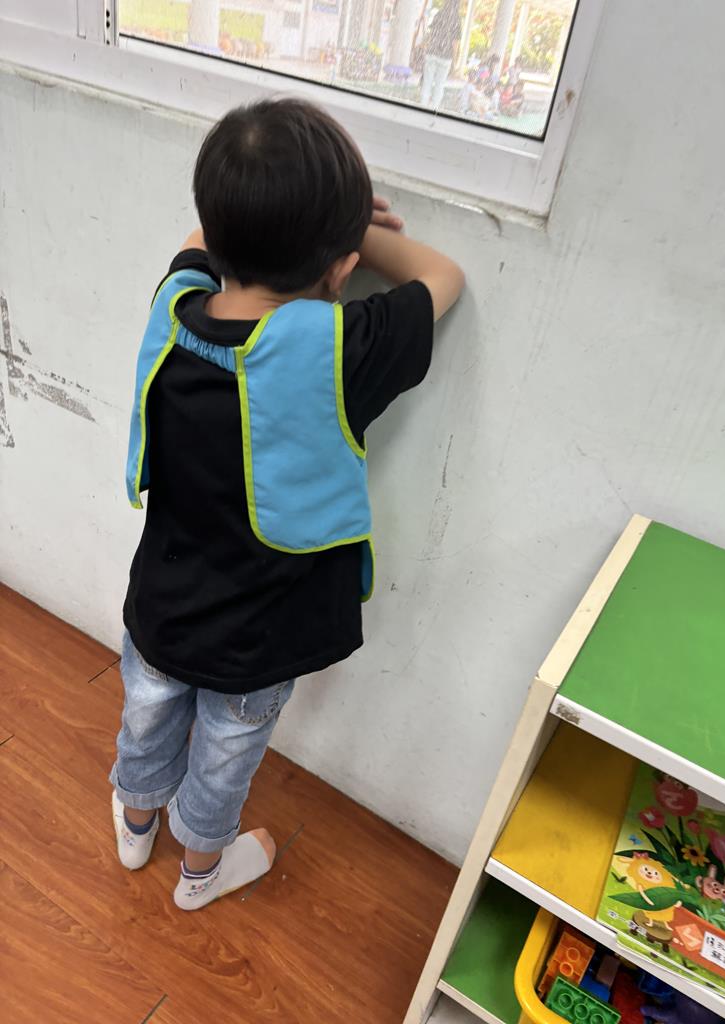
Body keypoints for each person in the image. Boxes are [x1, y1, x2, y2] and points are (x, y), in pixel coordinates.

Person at [110, 99, 464, 911]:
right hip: (261, 637)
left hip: (160, 609)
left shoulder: (172, 308)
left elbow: (201, 239)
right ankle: (200, 874)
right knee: (225, 756)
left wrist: (296, 219)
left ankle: (135, 827)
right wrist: (355, 231)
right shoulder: (339, 351)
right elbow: (444, 278)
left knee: (146, 717)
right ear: (341, 270)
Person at [420, 0, 463, 110]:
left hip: (432, 53)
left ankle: (422, 106)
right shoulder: (457, 19)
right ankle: (434, 109)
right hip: (446, 57)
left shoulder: (439, 14)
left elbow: (432, 34)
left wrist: (427, 47)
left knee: (427, 82)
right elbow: (455, 43)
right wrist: (455, 61)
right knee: (440, 84)